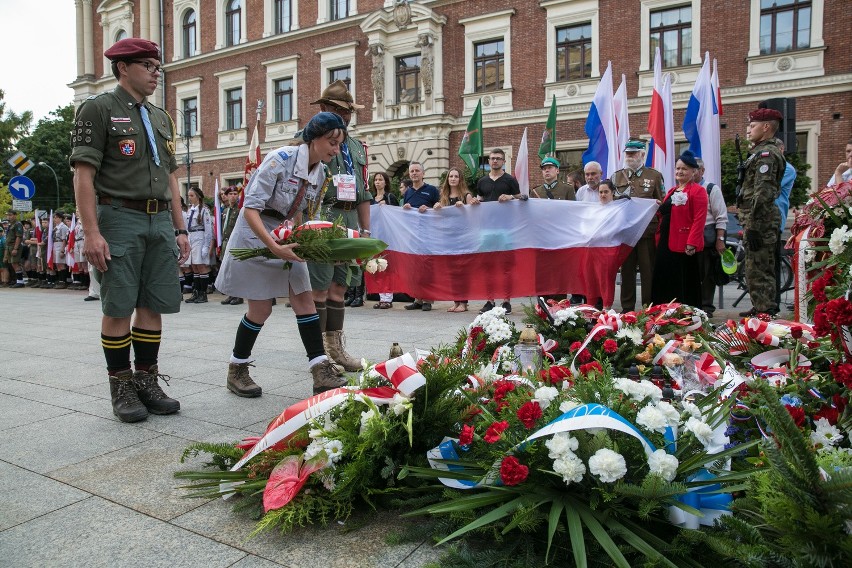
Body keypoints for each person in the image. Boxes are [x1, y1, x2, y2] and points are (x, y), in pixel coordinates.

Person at [70, 37, 188, 423]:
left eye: (158, 67)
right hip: (119, 217)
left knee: (153, 304)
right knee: (119, 305)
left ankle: (147, 380)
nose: (156, 73)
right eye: (148, 67)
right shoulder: (98, 109)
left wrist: (180, 228)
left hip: (159, 220)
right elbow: (83, 175)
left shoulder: (159, 116)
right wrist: (91, 232)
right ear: (123, 68)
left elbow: (171, 175)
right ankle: (120, 384)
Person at [216, 112, 349, 397]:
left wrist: (308, 243)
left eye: (339, 145)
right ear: (314, 138)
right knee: (260, 309)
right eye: (332, 142)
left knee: (305, 299)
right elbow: (249, 208)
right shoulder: (281, 159)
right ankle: (237, 369)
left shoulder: (321, 171)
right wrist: (273, 246)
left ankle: (320, 369)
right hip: (256, 231)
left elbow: (302, 211)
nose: (336, 150)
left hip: (286, 234)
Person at [309, 80, 371, 372]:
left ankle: (337, 351)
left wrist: (365, 230)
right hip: (322, 216)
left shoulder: (357, 146)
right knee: (319, 289)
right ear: (324, 109)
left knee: (338, 289)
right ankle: (318, 355)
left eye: (349, 112)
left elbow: (364, 192)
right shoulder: (309, 139)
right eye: (342, 111)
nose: (347, 117)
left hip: (348, 220)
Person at [737, 107, 786, 317]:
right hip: (757, 220)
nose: (749, 130)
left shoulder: (767, 154)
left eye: (753, 125)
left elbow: (763, 192)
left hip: (761, 221)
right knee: (754, 268)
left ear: (766, 127)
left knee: (760, 269)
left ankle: (765, 314)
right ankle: (760, 307)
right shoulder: (759, 152)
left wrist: (754, 226)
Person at [612, 138, 665, 312]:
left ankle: (649, 308)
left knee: (647, 271)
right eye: (627, 153)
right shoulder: (616, 176)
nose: (630, 156)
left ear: (642, 154)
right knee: (626, 273)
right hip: (626, 232)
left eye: (633, 153)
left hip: (646, 231)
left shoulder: (654, 176)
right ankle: (627, 309)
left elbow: (662, 202)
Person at [650, 151, 708, 307]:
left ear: (693, 171)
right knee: (664, 277)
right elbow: (665, 213)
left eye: (684, 169)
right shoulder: (672, 191)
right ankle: (663, 310)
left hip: (683, 244)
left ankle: (685, 312)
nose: (680, 172)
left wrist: (692, 243)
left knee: (682, 280)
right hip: (665, 241)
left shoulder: (698, 191)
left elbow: (699, 219)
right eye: (677, 168)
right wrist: (658, 206)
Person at [473, 148, 520, 313]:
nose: (495, 161)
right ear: (488, 161)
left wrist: (511, 197)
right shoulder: (482, 181)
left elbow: (523, 198)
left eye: (498, 158)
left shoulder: (510, 180)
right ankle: (490, 300)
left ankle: (506, 301)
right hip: (486, 228)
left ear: (503, 161)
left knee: (506, 266)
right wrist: (474, 203)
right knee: (488, 266)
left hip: (505, 229)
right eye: (492, 158)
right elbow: (480, 200)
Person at [434, 167, 476, 312]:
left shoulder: (467, 195)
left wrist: (464, 208)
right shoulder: (444, 196)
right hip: (448, 237)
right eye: (450, 176)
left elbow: (472, 218)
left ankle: (464, 303)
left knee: (462, 270)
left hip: (463, 238)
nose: (453, 179)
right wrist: (437, 208)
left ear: (460, 179)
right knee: (452, 271)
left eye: (456, 176)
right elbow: (441, 219)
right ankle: (456, 301)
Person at [402, 161, 441, 311]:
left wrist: (430, 209)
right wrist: (405, 209)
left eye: (417, 171)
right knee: (415, 267)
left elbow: (439, 210)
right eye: (412, 171)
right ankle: (417, 298)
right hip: (413, 235)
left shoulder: (431, 190)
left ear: (423, 173)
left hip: (428, 234)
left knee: (427, 267)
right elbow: (405, 217)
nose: (414, 173)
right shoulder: (408, 192)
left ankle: (427, 300)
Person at [694, 158, 727, 317]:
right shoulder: (683, 189)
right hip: (689, 238)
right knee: (693, 273)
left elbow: (721, 216)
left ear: (702, 171)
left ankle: (706, 307)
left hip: (707, 237)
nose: (692, 173)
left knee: (707, 275)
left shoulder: (711, 189)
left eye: (695, 170)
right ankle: (692, 305)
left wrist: (720, 239)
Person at [369, 171, 398, 310]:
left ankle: (388, 298)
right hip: (375, 237)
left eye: (380, 179)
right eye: (376, 180)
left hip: (387, 237)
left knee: (387, 267)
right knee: (377, 266)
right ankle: (381, 297)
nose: (378, 182)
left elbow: (398, 214)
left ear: (385, 182)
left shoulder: (390, 197)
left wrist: (387, 206)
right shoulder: (370, 199)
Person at [774, 139, 797, 311]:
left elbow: (771, 185)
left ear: (781, 149)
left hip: (775, 218)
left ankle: (773, 302)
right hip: (763, 218)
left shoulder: (787, 169)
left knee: (772, 263)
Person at [183, 186, 213, 304]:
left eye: (192, 195)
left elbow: (208, 230)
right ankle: (196, 292)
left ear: (198, 196)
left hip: (200, 238)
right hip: (191, 237)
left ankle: (203, 293)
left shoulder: (204, 210)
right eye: (188, 196)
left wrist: (206, 246)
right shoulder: (190, 210)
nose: (189, 198)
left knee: (201, 266)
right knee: (194, 266)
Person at [219, 186, 243, 305]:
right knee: (227, 268)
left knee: (235, 269)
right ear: (227, 196)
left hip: (235, 242)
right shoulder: (225, 210)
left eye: (235, 194)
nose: (233, 196)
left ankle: (238, 295)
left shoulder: (240, 210)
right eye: (231, 194)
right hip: (226, 241)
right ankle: (231, 294)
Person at [3, 211, 25, 288]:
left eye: (10, 215)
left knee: (15, 263)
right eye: (8, 215)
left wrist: (15, 248)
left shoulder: (17, 224)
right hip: (9, 246)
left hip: (14, 246)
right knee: (12, 263)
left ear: (15, 215)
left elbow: (18, 237)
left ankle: (20, 281)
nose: (8, 217)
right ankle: (16, 280)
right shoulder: (11, 225)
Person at [50, 211, 70, 289]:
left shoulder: (63, 227)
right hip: (55, 245)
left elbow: (64, 239)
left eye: (56, 218)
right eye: (54, 218)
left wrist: (62, 250)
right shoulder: (55, 227)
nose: (55, 219)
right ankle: (60, 280)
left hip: (60, 244)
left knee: (61, 264)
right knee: (57, 264)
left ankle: (63, 281)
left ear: (60, 218)